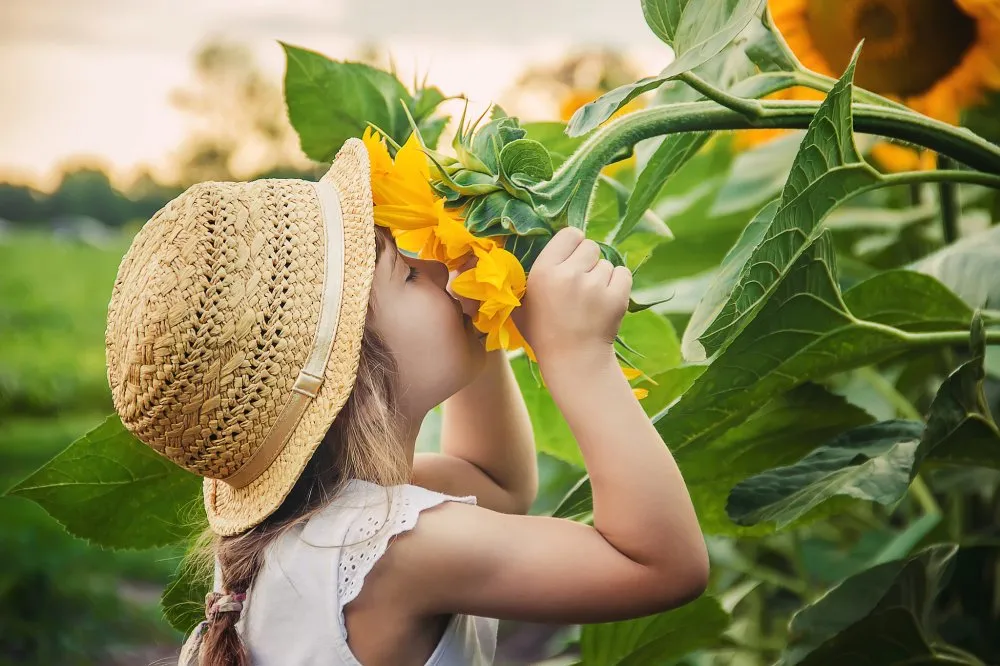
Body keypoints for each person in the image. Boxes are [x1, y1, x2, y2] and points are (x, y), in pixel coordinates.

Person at [104, 137, 708, 666]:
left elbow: (492, 482)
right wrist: (581, 359)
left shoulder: (320, 519)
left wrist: (481, 295)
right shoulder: (387, 552)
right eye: (411, 272)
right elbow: (660, 567)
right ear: (359, 379)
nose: (437, 261)